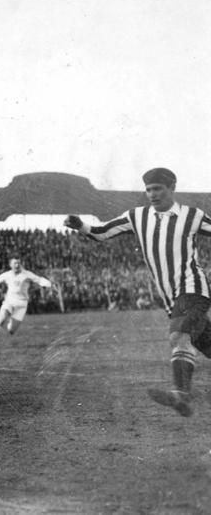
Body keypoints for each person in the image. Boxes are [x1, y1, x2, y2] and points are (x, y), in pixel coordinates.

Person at [64, 167, 211, 416]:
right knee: (202, 341)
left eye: (158, 189)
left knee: (178, 336)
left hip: (192, 286)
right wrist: (80, 225)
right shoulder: (136, 216)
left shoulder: (192, 216)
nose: (152, 194)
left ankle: (181, 395)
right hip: (169, 295)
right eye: (149, 190)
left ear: (172, 188)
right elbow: (103, 232)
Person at [0, 257, 54, 350]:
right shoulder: (6, 275)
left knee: (11, 330)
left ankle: (11, 321)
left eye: (18, 263)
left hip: (22, 304)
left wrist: (47, 284)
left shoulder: (27, 274)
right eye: (14, 263)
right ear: (10, 265)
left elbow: (39, 279)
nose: (17, 265)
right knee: (1, 320)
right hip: (9, 302)